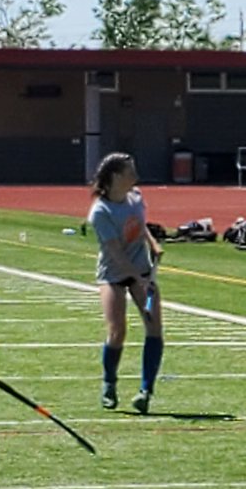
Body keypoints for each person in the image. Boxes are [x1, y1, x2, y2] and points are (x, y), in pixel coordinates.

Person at [88, 153, 164, 414]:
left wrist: (153, 244)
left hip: (143, 273)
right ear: (115, 177)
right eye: (130, 171)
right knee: (117, 330)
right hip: (114, 276)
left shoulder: (136, 198)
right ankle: (109, 382)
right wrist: (139, 279)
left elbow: (141, 226)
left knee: (154, 324)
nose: (135, 176)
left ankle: (146, 391)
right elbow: (116, 253)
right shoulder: (101, 211)